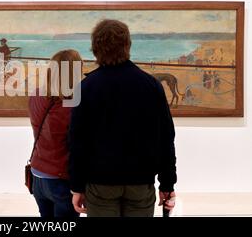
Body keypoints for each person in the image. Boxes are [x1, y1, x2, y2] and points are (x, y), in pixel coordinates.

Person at [69, 19, 177, 217]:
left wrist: (77, 186)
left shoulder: (85, 88)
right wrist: (167, 183)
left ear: (95, 48)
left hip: (100, 183)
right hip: (140, 182)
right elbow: (166, 138)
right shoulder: (151, 86)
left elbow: (77, 142)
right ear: (127, 45)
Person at [28, 49, 83, 218]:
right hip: (61, 179)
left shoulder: (36, 95)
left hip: (38, 173)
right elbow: (78, 147)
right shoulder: (74, 106)